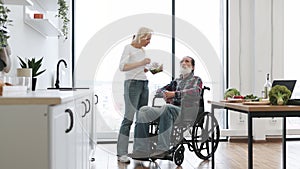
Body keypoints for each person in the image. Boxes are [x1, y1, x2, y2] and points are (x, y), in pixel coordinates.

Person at [129, 56, 203, 159]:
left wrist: (174, 94)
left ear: (193, 67)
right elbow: (160, 90)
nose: (183, 63)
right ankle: (141, 150)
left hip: (186, 112)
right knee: (143, 110)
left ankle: (163, 149)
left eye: (187, 61)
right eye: (182, 61)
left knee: (167, 108)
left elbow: (195, 92)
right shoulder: (176, 81)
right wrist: (165, 94)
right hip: (169, 110)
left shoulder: (196, 80)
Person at [117, 27, 153, 163]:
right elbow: (122, 67)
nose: (149, 42)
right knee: (128, 119)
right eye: (148, 39)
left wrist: (148, 68)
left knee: (142, 118)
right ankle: (122, 153)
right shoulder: (129, 48)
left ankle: (140, 151)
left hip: (144, 83)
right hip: (132, 84)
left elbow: (139, 68)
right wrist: (141, 63)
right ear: (141, 37)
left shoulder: (143, 51)